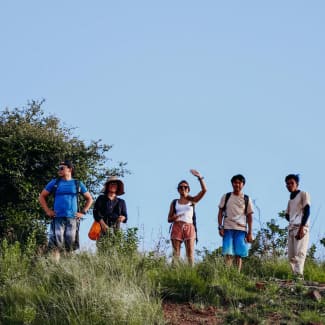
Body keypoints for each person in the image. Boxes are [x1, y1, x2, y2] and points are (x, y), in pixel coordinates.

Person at [39, 160, 93, 258]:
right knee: (56, 245)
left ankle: (68, 269)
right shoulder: (54, 183)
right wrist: (47, 210)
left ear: (70, 169)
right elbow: (42, 196)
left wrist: (83, 212)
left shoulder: (77, 183)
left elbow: (90, 199)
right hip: (57, 217)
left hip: (72, 218)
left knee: (70, 246)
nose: (59, 170)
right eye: (58, 168)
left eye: (62, 168)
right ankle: (55, 268)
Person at [168, 169, 207, 266]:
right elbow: (168, 219)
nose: (183, 189)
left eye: (185, 187)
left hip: (189, 226)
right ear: (178, 190)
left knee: (190, 253)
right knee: (176, 253)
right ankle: (174, 273)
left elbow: (204, 190)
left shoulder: (192, 200)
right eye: (181, 187)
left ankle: (190, 274)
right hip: (177, 226)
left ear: (188, 189)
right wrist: (174, 218)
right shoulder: (174, 202)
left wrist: (200, 178)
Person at [217, 174, 254, 272]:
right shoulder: (226, 196)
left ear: (243, 184)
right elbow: (220, 212)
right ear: (232, 184)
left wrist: (250, 232)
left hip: (241, 229)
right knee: (228, 253)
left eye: (239, 183)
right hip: (228, 228)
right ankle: (227, 274)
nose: (237, 185)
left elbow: (250, 216)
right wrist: (220, 227)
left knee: (239, 254)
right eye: (235, 182)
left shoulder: (246, 198)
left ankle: (236, 275)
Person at [284, 174, 310, 279]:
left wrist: (301, 227)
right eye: (287, 184)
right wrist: (292, 220)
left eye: (292, 183)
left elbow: (307, 210)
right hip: (291, 228)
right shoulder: (290, 200)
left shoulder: (303, 194)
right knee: (291, 256)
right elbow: (287, 215)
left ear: (297, 184)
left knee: (299, 254)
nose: (289, 185)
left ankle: (299, 277)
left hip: (300, 227)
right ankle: (295, 277)